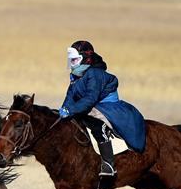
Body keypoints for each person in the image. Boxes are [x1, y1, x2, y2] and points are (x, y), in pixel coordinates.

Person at [59, 40, 146, 179]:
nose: (72, 63)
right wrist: (65, 108)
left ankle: (108, 164)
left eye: (75, 60)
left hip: (108, 108)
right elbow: (71, 95)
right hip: (92, 105)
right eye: (71, 60)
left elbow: (90, 98)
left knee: (96, 125)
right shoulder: (76, 75)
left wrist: (72, 110)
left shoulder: (95, 74)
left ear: (85, 58)